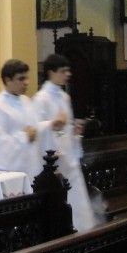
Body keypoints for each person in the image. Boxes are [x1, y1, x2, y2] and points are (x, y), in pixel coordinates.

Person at [34, 54, 98, 232]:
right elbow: (35, 129)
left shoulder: (64, 97)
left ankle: (83, 229)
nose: (68, 74)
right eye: (63, 71)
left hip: (68, 156)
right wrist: (52, 124)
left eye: (68, 70)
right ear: (51, 72)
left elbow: (65, 128)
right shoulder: (41, 98)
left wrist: (74, 132)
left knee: (77, 197)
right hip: (53, 160)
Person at [0, 59, 41, 178]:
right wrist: (25, 137)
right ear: (8, 80)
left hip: (31, 170)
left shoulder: (27, 102)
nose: (26, 82)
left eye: (27, 78)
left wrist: (50, 125)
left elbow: (35, 129)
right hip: (9, 175)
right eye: (21, 79)